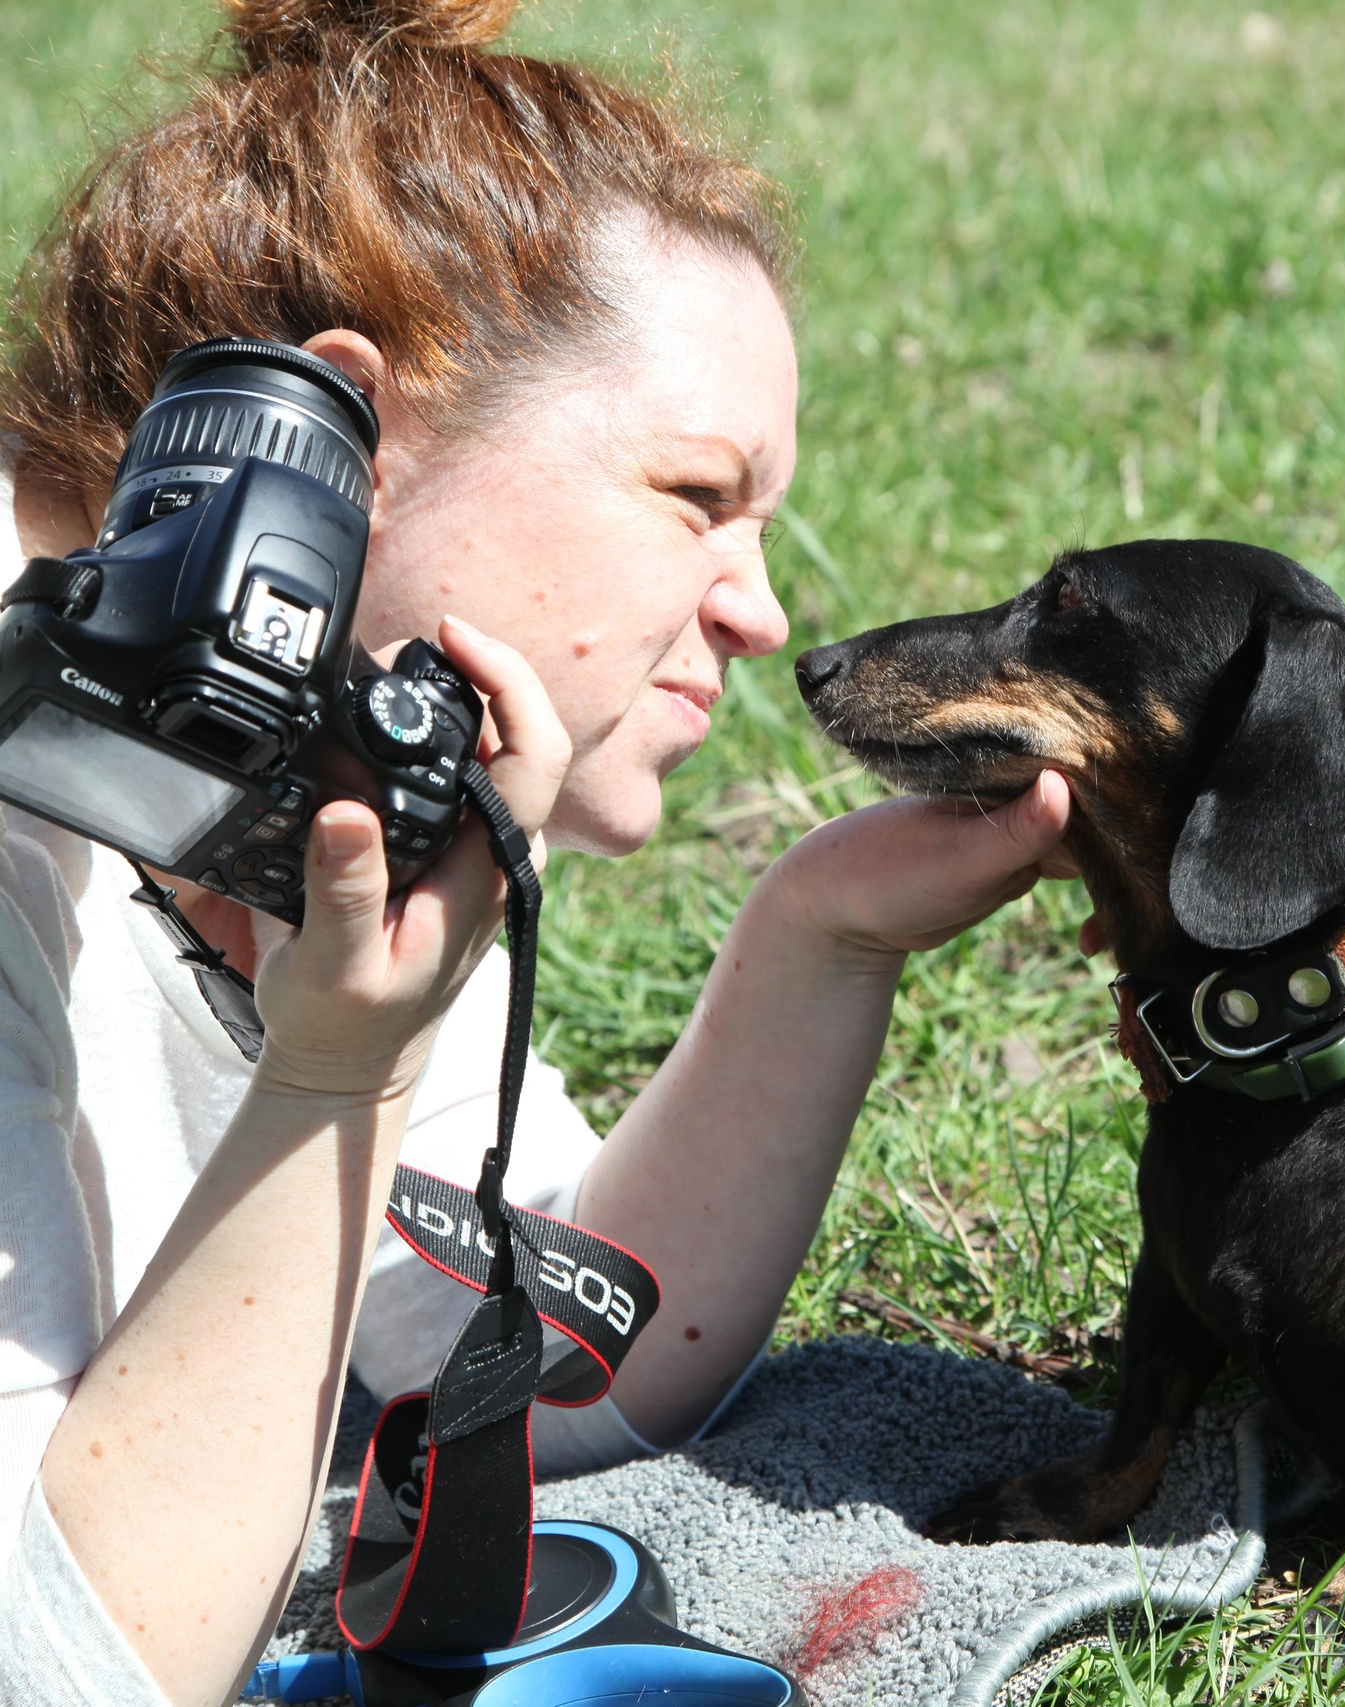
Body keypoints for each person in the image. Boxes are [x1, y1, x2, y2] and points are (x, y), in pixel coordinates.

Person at [0, 1, 1076, 1702]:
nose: (761, 607)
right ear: (348, 425)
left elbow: (547, 1361)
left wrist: (824, 937)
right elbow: (60, 1666)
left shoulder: (292, 765)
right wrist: (331, 1085)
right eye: (693, 494)